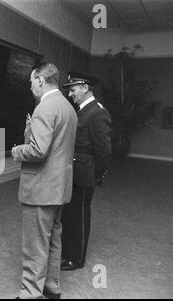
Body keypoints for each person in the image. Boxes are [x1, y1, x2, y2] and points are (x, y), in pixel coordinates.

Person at [12, 63, 77, 299]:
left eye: (31, 82)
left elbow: (38, 150)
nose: (31, 87)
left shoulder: (45, 108)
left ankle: (30, 293)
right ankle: (52, 287)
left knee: (34, 244)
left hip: (40, 188)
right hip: (59, 187)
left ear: (40, 80)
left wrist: (16, 150)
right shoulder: (67, 107)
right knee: (53, 239)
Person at [60, 72, 112, 271]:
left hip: (84, 172)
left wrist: (96, 175)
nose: (70, 94)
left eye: (72, 90)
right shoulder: (82, 110)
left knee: (80, 215)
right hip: (75, 169)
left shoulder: (98, 112)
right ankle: (67, 251)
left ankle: (77, 258)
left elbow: (104, 151)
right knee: (70, 212)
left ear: (84, 87)